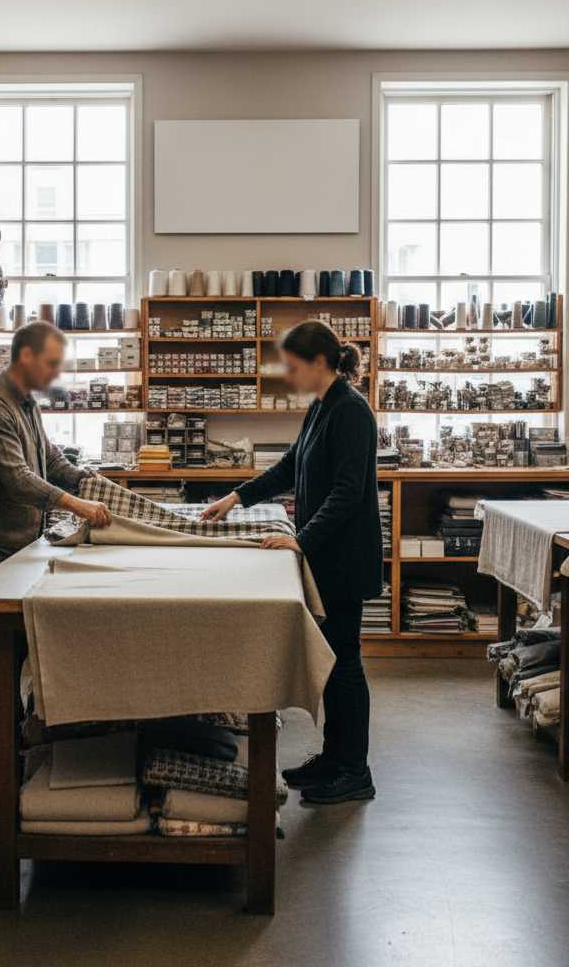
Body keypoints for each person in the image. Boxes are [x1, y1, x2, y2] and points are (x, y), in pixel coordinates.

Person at [201, 320, 381, 804]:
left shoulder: (353, 412)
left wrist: (300, 540)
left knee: (344, 663)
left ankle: (354, 771)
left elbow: (347, 493)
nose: (287, 375)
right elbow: (289, 466)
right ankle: (334, 759)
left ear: (320, 363)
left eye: (293, 366)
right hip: (325, 557)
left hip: (343, 561)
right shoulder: (321, 408)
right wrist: (236, 497)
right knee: (332, 661)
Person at [0, 320, 112, 786]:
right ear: (26, 358)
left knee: (15, 651)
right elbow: (19, 479)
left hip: (15, 545)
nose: (55, 373)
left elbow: (53, 462)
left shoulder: (25, 404)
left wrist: (95, 485)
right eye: (51, 363)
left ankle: (8, 746)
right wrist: (78, 504)